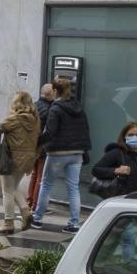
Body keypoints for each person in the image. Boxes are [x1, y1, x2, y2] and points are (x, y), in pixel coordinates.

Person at [31, 77, 91, 233]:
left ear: (56, 91)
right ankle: (74, 223)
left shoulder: (55, 109)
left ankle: (37, 218)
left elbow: (50, 132)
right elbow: (85, 129)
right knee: (73, 188)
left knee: (46, 185)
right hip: (77, 153)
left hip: (57, 152)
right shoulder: (79, 107)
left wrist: (36, 143)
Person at [0, 90, 42, 234]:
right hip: (28, 159)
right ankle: (26, 212)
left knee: (7, 190)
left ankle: (8, 223)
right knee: (14, 188)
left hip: (11, 158)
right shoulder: (36, 120)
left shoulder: (14, 119)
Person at [92, 122, 137, 195]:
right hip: (117, 198)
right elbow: (96, 170)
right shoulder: (116, 153)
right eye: (130, 135)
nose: (134, 137)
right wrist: (116, 170)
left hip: (134, 198)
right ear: (124, 137)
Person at [27, 82, 56, 211]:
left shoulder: (34, 105)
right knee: (41, 176)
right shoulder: (50, 109)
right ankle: (36, 205)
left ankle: (30, 202)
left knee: (34, 175)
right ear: (51, 94)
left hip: (32, 145)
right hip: (43, 147)